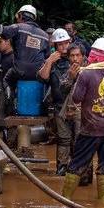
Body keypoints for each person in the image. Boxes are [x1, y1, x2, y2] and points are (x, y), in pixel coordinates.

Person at [61, 38, 104, 200]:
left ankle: (65, 200)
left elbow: (76, 98)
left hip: (90, 128)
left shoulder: (86, 74)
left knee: (77, 164)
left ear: (93, 55)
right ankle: (103, 202)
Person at [0, 4, 50, 95]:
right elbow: (48, 57)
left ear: (20, 16)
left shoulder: (18, 27)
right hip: (38, 75)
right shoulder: (45, 35)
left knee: (6, 80)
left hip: (20, 72)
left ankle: (9, 100)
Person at [56, 43, 93, 185]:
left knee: (81, 141)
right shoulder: (68, 70)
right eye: (72, 55)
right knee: (64, 140)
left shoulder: (90, 70)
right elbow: (62, 90)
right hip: (68, 109)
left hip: (84, 111)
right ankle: (63, 168)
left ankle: (84, 174)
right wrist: (71, 77)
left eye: (78, 55)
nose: (75, 58)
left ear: (83, 56)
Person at [38, 28, 72, 175]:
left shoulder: (76, 56)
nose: (64, 47)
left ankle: (79, 169)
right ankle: (62, 167)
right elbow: (43, 77)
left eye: (66, 43)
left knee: (79, 138)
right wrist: (50, 61)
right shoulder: (51, 61)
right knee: (63, 138)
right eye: (60, 44)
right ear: (55, 46)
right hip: (59, 105)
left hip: (77, 106)